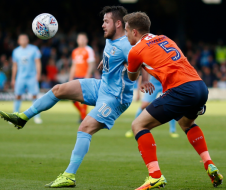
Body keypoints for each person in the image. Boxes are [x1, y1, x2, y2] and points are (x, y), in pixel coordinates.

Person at [0, 6, 134, 188]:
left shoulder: (128, 45)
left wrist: (143, 77)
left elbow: (143, 61)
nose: (102, 25)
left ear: (118, 24)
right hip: (101, 86)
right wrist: (107, 61)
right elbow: (115, 54)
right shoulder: (112, 39)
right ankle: (22, 117)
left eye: (106, 21)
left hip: (115, 97)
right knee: (58, 89)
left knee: (85, 127)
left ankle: (69, 175)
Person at [123, 12, 223, 189]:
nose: (125, 34)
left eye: (126, 31)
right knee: (186, 123)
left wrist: (126, 65)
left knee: (138, 125)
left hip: (181, 90)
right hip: (199, 87)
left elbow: (132, 77)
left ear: (135, 32)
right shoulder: (165, 39)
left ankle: (155, 176)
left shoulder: (135, 50)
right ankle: (209, 164)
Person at [11, 34, 42, 124]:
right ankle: (15, 115)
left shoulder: (34, 49)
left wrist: (38, 74)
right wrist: (13, 78)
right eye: (22, 39)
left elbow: (38, 62)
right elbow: (15, 66)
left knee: (34, 96)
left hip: (32, 77)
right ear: (18, 41)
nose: (24, 40)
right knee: (17, 96)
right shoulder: (16, 51)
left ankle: (37, 117)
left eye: (25, 39)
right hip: (20, 77)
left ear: (28, 40)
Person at [69, 33, 96, 122]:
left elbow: (91, 64)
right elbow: (73, 66)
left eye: (83, 39)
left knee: (84, 98)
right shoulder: (75, 51)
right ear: (77, 40)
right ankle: (83, 115)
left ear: (86, 40)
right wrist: (70, 78)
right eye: (79, 39)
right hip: (76, 76)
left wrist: (87, 76)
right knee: (72, 98)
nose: (81, 40)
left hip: (85, 76)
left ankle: (83, 117)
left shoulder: (89, 50)